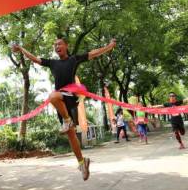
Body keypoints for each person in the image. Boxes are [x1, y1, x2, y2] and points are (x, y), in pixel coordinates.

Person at [12, 37, 116, 180]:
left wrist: (109, 46)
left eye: (59, 44)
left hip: (70, 96)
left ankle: (67, 121)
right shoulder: (52, 63)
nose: (57, 46)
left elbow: (93, 53)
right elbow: (35, 59)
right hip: (62, 103)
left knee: (52, 96)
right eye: (55, 45)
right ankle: (82, 163)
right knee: (71, 134)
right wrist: (21, 49)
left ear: (66, 45)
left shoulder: (74, 59)